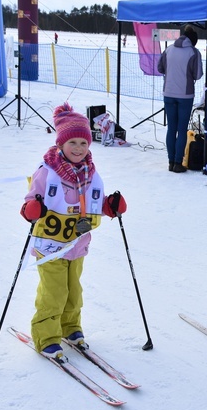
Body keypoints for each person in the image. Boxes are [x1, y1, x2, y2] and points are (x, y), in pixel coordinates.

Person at [20, 102, 128, 359]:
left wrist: (110, 207)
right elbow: (29, 203)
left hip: (77, 244)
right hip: (49, 245)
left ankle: (70, 328)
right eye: (73, 143)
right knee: (53, 293)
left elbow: (93, 203)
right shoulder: (47, 172)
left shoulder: (90, 173)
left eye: (84, 143)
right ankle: (46, 337)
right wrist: (32, 209)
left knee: (73, 291)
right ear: (60, 144)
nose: (78, 149)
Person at [157, 25, 203, 173]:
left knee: (171, 128)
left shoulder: (169, 49)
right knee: (182, 130)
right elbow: (198, 75)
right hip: (185, 95)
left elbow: (160, 68)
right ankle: (178, 162)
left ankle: (170, 161)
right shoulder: (193, 53)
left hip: (168, 93)